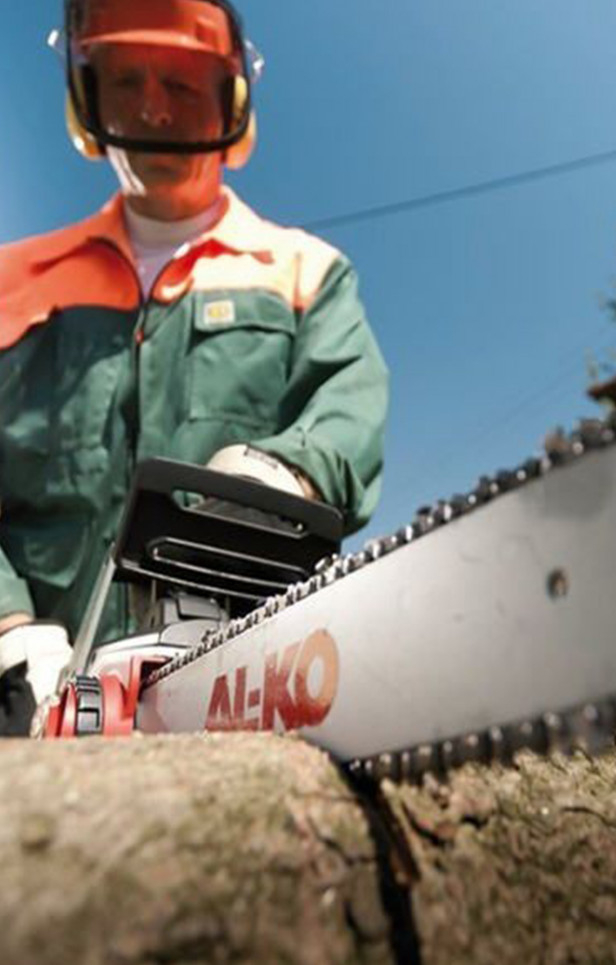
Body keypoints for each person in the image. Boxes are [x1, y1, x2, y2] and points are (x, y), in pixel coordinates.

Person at [0, 0, 389, 735]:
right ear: (86, 100)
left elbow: (347, 411)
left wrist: (284, 476)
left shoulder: (305, 272)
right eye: (127, 81)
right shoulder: (11, 282)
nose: (153, 108)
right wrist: (10, 629)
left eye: (181, 83)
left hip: (233, 676)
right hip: (32, 696)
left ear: (230, 101)